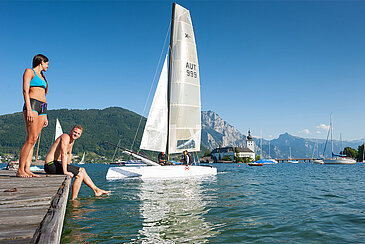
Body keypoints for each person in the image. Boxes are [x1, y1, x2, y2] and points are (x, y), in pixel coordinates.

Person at [44, 125, 110, 200]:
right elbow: (64, 153)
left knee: (82, 170)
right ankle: (74, 199)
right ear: (71, 131)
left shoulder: (72, 141)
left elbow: (69, 154)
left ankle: (96, 190)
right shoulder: (65, 137)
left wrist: (69, 168)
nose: (76, 134)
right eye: (75, 132)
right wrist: (65, 171)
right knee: (79, 175)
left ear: (80, 135)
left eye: (78, 133)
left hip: (56, 164)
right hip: (50, 165)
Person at [17, 54, 49, 177]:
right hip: (32, 103)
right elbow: (25, 90)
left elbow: (44, 96)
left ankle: (27, 169)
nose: (48, 66)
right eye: (47, 63)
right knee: (31, 138)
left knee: (34, 139)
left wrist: (45, 114)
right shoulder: (29, 71)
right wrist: (29, 109)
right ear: (41, 62)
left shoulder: (43, 77)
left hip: (42, 107)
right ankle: (20, 169)